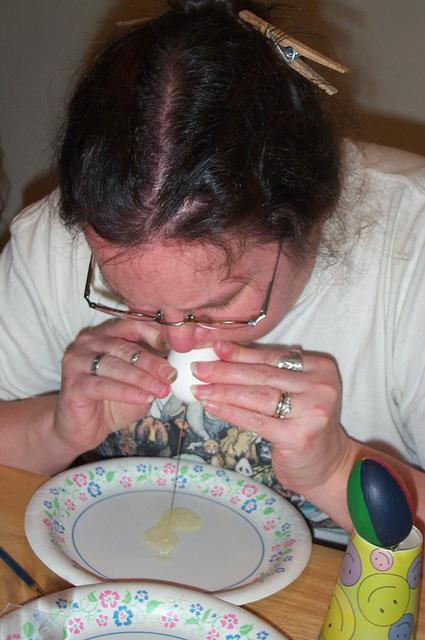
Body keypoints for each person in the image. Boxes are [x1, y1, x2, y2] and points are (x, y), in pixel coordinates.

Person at [0, 0, 424, 545]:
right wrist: (57, 428)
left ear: (311, 219)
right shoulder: (55, 238)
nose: (177, 340)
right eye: (127, 296)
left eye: (219, 304)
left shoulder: (409, 257)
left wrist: (336, 470)